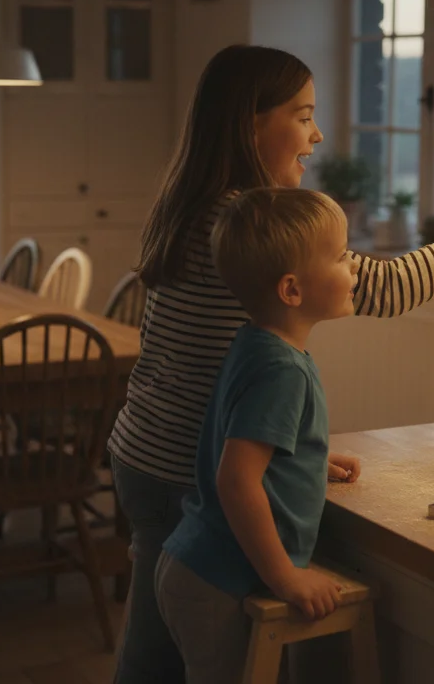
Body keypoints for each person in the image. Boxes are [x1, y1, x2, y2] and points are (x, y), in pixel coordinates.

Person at [108, 44, 434, 683]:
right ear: (251, 126)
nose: (318, 134)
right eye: (303, 117)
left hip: (147, 448)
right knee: (178, 658)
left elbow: (208, 367)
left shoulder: (193, 207)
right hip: (192, 471)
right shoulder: (247, 227)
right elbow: (390, 285)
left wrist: (288, 452)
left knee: (159, 648)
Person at [155, 187, 359, 684]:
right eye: (340, 256)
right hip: (218, 581)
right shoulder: (282, 370)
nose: (353, 264)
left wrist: (307, 460)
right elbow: (237, 480)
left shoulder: (257, 343)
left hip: (198, 565)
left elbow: (251, 441)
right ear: (292, 290)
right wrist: (285, 577)